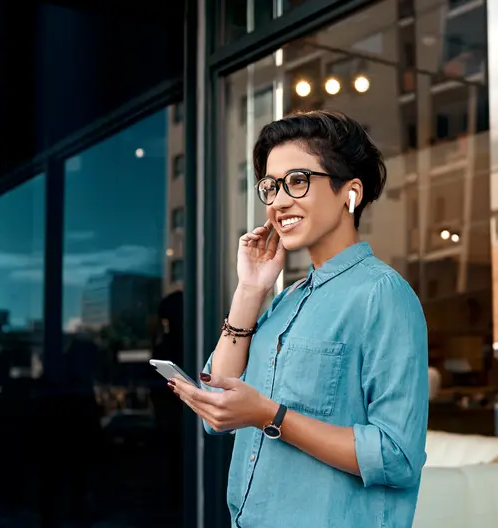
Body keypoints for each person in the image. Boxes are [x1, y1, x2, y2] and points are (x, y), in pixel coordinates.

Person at [171, 110, 429, 527]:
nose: (278, 202)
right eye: (271, 187)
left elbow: (397, 456)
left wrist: (271, 417)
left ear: (351, 192)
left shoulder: (382, 294)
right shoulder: (285, 300)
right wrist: (250, 290)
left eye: (297, 181)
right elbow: (218, 404)